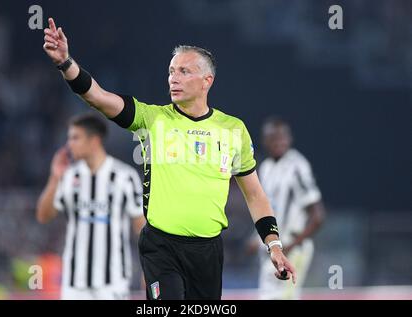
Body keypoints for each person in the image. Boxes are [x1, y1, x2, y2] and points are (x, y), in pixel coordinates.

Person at [42, 17, 296, 300]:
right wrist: (65, 63)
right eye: (171, 71)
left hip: (208, 251)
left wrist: (274, 246)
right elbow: (98, 97)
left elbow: (255, 196)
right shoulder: (152, 119)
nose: (173, 78)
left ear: (206, 81)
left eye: (184, 71)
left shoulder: (233, 129)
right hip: (161, 247)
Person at [36, 113, 145, 299]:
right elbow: (43, 216)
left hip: (113, 283)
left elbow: (141, 228)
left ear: (94, 141)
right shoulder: (69, 177)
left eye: (75, 138)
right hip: (74, 284)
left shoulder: (124, 177)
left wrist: (149, 269)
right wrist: (54, 178)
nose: (69, 144)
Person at [248, 117, 325, 299]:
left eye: (282, 137)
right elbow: (266, 208)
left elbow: (318, 216)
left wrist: (291, 245)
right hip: (272, 248)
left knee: (279, 297)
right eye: (273, 137)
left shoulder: (297, 167)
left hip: (291, 247)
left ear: (289, 139)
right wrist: (256, 238)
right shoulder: (266, 168)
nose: (279, 142)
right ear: (264, 141)